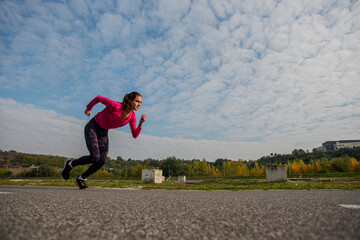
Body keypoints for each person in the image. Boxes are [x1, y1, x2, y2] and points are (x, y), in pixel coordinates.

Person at [62, 92, 147, 189]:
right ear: (129, 100)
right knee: (95, 157)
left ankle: (81, 178)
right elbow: (99, 98)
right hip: (93, 127)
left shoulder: (132, 117)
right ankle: (70, 164)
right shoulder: (116, 106)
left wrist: (140, 123)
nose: (139, 104)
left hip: (103, 132)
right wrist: (89, 108)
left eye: (140, 102)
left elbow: (135, 135)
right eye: (137, 101)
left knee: (102, 160)